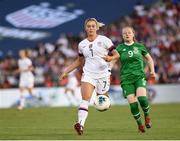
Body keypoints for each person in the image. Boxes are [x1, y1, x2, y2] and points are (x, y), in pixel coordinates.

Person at [59, 18, 116, 135]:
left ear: (97, 28)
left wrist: (110, 58)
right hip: (88, 74)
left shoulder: (104, 40)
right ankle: (80, 124)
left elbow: (117, 54)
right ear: (85, 28)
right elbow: (79, 61)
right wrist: (66, 72)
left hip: (103, 75)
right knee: (85, 99)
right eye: (88, 26)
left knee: (103, 102)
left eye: (93, 26)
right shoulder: (82, 44)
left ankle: (105, 101)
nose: (91, 28)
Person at [103, 26, 156, 133]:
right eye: (124, 33)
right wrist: (108, 70)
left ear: (133, 34)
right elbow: (113, 61)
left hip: (139, 77)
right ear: (122, 36)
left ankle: (147, 116)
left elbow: (149, 59)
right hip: (126, 80)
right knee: (133, 105)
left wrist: (152, 71)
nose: (127, 34)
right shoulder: (119, 48)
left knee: (142, 99)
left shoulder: (139, 46)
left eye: (129, 33)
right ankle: (140, 125)